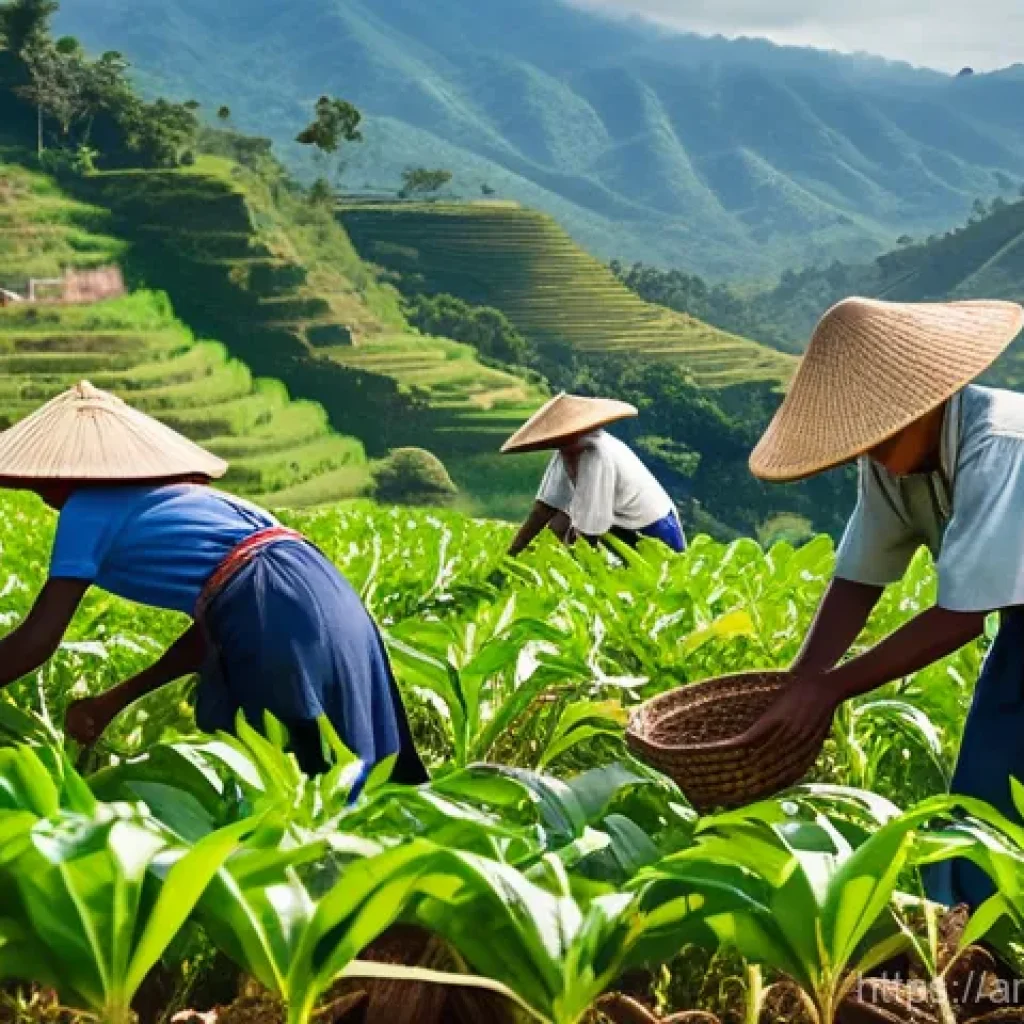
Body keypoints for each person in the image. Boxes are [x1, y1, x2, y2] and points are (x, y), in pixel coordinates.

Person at [738, 295, 1024, 908]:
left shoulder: (1002, 443)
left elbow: (963, 614)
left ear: (930, 400)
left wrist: (832, 689)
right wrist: (802, 678)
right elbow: (861, 576)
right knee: (983, 791)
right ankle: (977, 950)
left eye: (878, 433)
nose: (868, 450)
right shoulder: (895, 457)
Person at [0, 381, 427, 787]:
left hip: (270, 598)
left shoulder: (86, 508)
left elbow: (39, 637)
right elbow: (213, 633)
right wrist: (112, 701)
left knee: (274, 775)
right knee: (353, 767)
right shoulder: (188, 500)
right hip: (325, 590)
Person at [503, 392, 686, 556]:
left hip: (655, 530)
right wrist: (512, 553)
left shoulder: (597, 454)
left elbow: (588, 533)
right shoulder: (565, 453)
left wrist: (569, 566)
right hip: (622, 530)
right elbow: (545, 508)